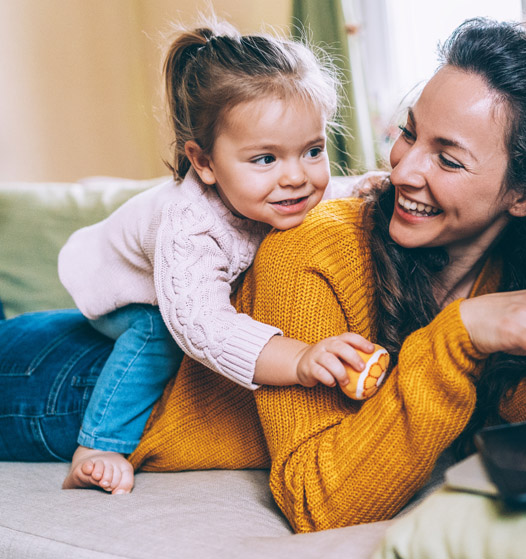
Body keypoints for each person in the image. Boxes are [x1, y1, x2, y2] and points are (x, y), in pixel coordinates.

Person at [0, 18, 526, 530]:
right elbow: (315, 497)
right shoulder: (312, 245)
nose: (404, 167)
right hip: (67, 385)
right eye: (408, 132)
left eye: (447, 158)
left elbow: (510, 407)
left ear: (524, 196)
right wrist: (456, 337)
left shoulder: (499, 270)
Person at [51, 19, 377, 495]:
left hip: (168, 278)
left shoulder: (290, 192)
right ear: (203, 162)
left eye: (312, 150)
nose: (297, 177)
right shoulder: (191, 228)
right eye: (265, 159)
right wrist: (300, 357)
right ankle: (98, 443)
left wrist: (372, 188)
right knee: (158, 331)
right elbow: (204, 328)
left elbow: (337, 192)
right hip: (118, 287)